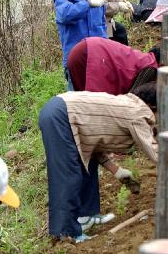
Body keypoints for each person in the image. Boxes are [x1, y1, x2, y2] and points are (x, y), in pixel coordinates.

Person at [38, 87, 158, 241]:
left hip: (62, 112)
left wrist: (117, 170)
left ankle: (85, 217)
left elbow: (93, 145)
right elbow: (154, 151)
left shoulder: (130, 106)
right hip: (60, 116)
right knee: (68, 175)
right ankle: (66, 234)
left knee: (87, 164)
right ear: (154, 107)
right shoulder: (137, 114)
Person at [54, 0, 109, 89]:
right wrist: (88, 3)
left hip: (97, 55)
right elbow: (67, 14)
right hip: (76, 59)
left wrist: (107, 49)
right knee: (77, 99)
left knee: (99, 95)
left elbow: (102, 26)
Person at [67, 37, 159, 94]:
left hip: (86, 49)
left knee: (79, 103)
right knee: (91, 107)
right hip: (90, 56)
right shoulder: (151, 68)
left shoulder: (143, 59)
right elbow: (133, 100)